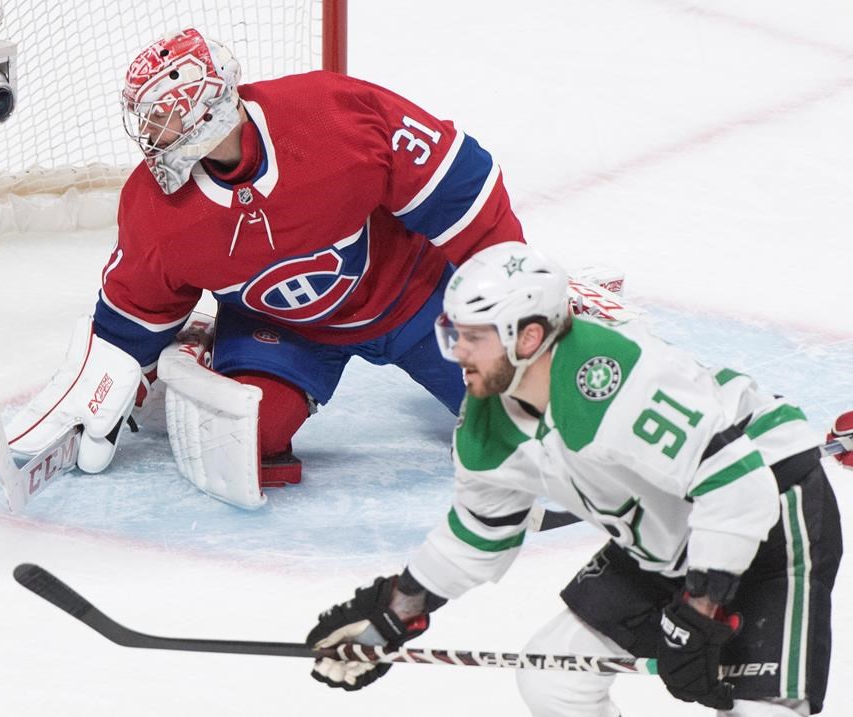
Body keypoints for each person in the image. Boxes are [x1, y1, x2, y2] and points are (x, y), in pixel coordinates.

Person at [305, 242, 843, 716]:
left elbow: (736, 486)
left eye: (475, 337)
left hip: (773, 505)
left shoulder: (612, 378)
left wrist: (698, 610)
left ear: (529, 336)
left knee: (756, 711)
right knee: (554, 678)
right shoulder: (487, 420)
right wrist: (395, 614)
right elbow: (480, 532)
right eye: (454, 334)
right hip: (663, 533)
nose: (458, 353)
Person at [2, 27, 525, 506]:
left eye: (164, 116)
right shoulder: (156, 208)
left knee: (524, 415)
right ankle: (197, 352)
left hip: (410, 294)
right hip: (283, 327)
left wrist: (513, 291)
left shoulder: (329, 114)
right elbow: (135, 309)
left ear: (205, 109)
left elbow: (462, 187)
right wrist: (112, 377)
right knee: (244, 438)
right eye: (149, 120)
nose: (153, 134)